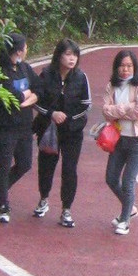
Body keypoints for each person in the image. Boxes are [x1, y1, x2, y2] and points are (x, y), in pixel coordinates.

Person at [32, 38, 91, 229]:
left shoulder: (81, 77)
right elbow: (36, 101)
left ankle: (66, 210)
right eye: (68, 54)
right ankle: (43, 199)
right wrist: (52, 114)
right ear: (59, 56)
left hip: (72, 132)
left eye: (75, 55)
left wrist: (69, 118)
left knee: (69, 169)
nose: (72, 59)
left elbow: (86, 105)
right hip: (48, 129)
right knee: (46, 166)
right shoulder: (46, 75)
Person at [0, 32, 40, 224]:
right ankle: (3, 204)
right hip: (4, 127)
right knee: (3, 165)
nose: (26, 50)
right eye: (25, 47)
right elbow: (12, 97)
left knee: (24, 164)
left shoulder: (25, 68)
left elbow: (39, 88)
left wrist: (28, 96)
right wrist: (27, 94)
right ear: (18, 51)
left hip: (24, 126)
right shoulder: (0, 71)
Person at [101, 49, 138, 235]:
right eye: (122, 66)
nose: (125, 69)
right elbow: (105, 111)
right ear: (116, 67)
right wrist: (128, 108)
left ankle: (124, 220)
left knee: (128, 180)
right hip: (119, 139)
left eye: (129, 66)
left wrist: (117, 110)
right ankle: (130, 208)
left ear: (134, 67)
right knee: (111, 178)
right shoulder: (111, 86)